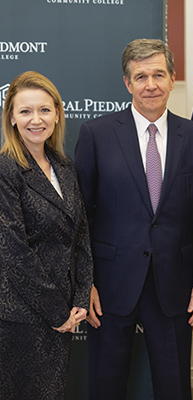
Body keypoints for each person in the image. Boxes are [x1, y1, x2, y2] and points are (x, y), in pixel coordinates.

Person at [74, 38, 193, 400]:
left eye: (158, 75)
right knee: (107, 383)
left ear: (172, 79)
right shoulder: (96, 134)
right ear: (127, 83)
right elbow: (81, 217)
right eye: (140, 77)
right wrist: (84, 281)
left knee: (174, 386)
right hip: (108, 285)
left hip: (174, 286)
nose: (150, 85)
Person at [0, 71, 93, 400]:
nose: (35, 119)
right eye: (25, 111)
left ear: (57, 113)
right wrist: (57, 313)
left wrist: (80, 301)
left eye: (44, 110)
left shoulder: (64, 167)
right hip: (21, 319)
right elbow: (13, 252)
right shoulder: (6, 169)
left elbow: (79, 237)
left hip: (64, 315)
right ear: (11, 116)